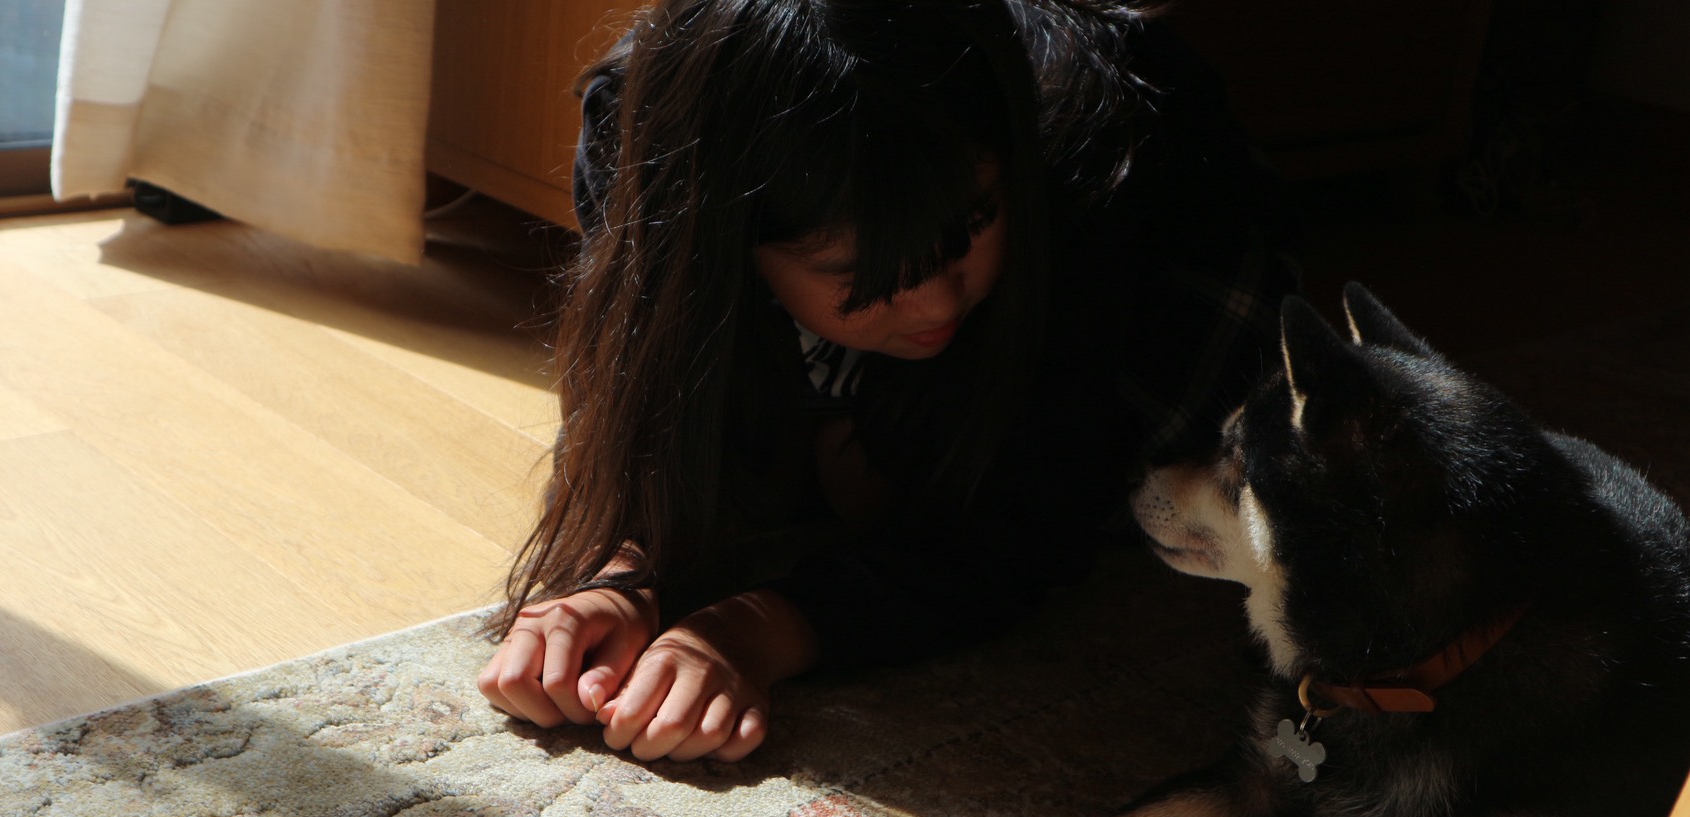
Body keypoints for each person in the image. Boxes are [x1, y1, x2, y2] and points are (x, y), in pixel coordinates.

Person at [477, 0, 1297, 763]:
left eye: (974, 223)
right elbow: (648, 410)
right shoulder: (654, 140)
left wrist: (757, 627)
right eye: (859, 275)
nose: (936, 301)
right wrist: (617, 573)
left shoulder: (1098, 152)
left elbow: (1026, 523)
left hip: (1137, 264)